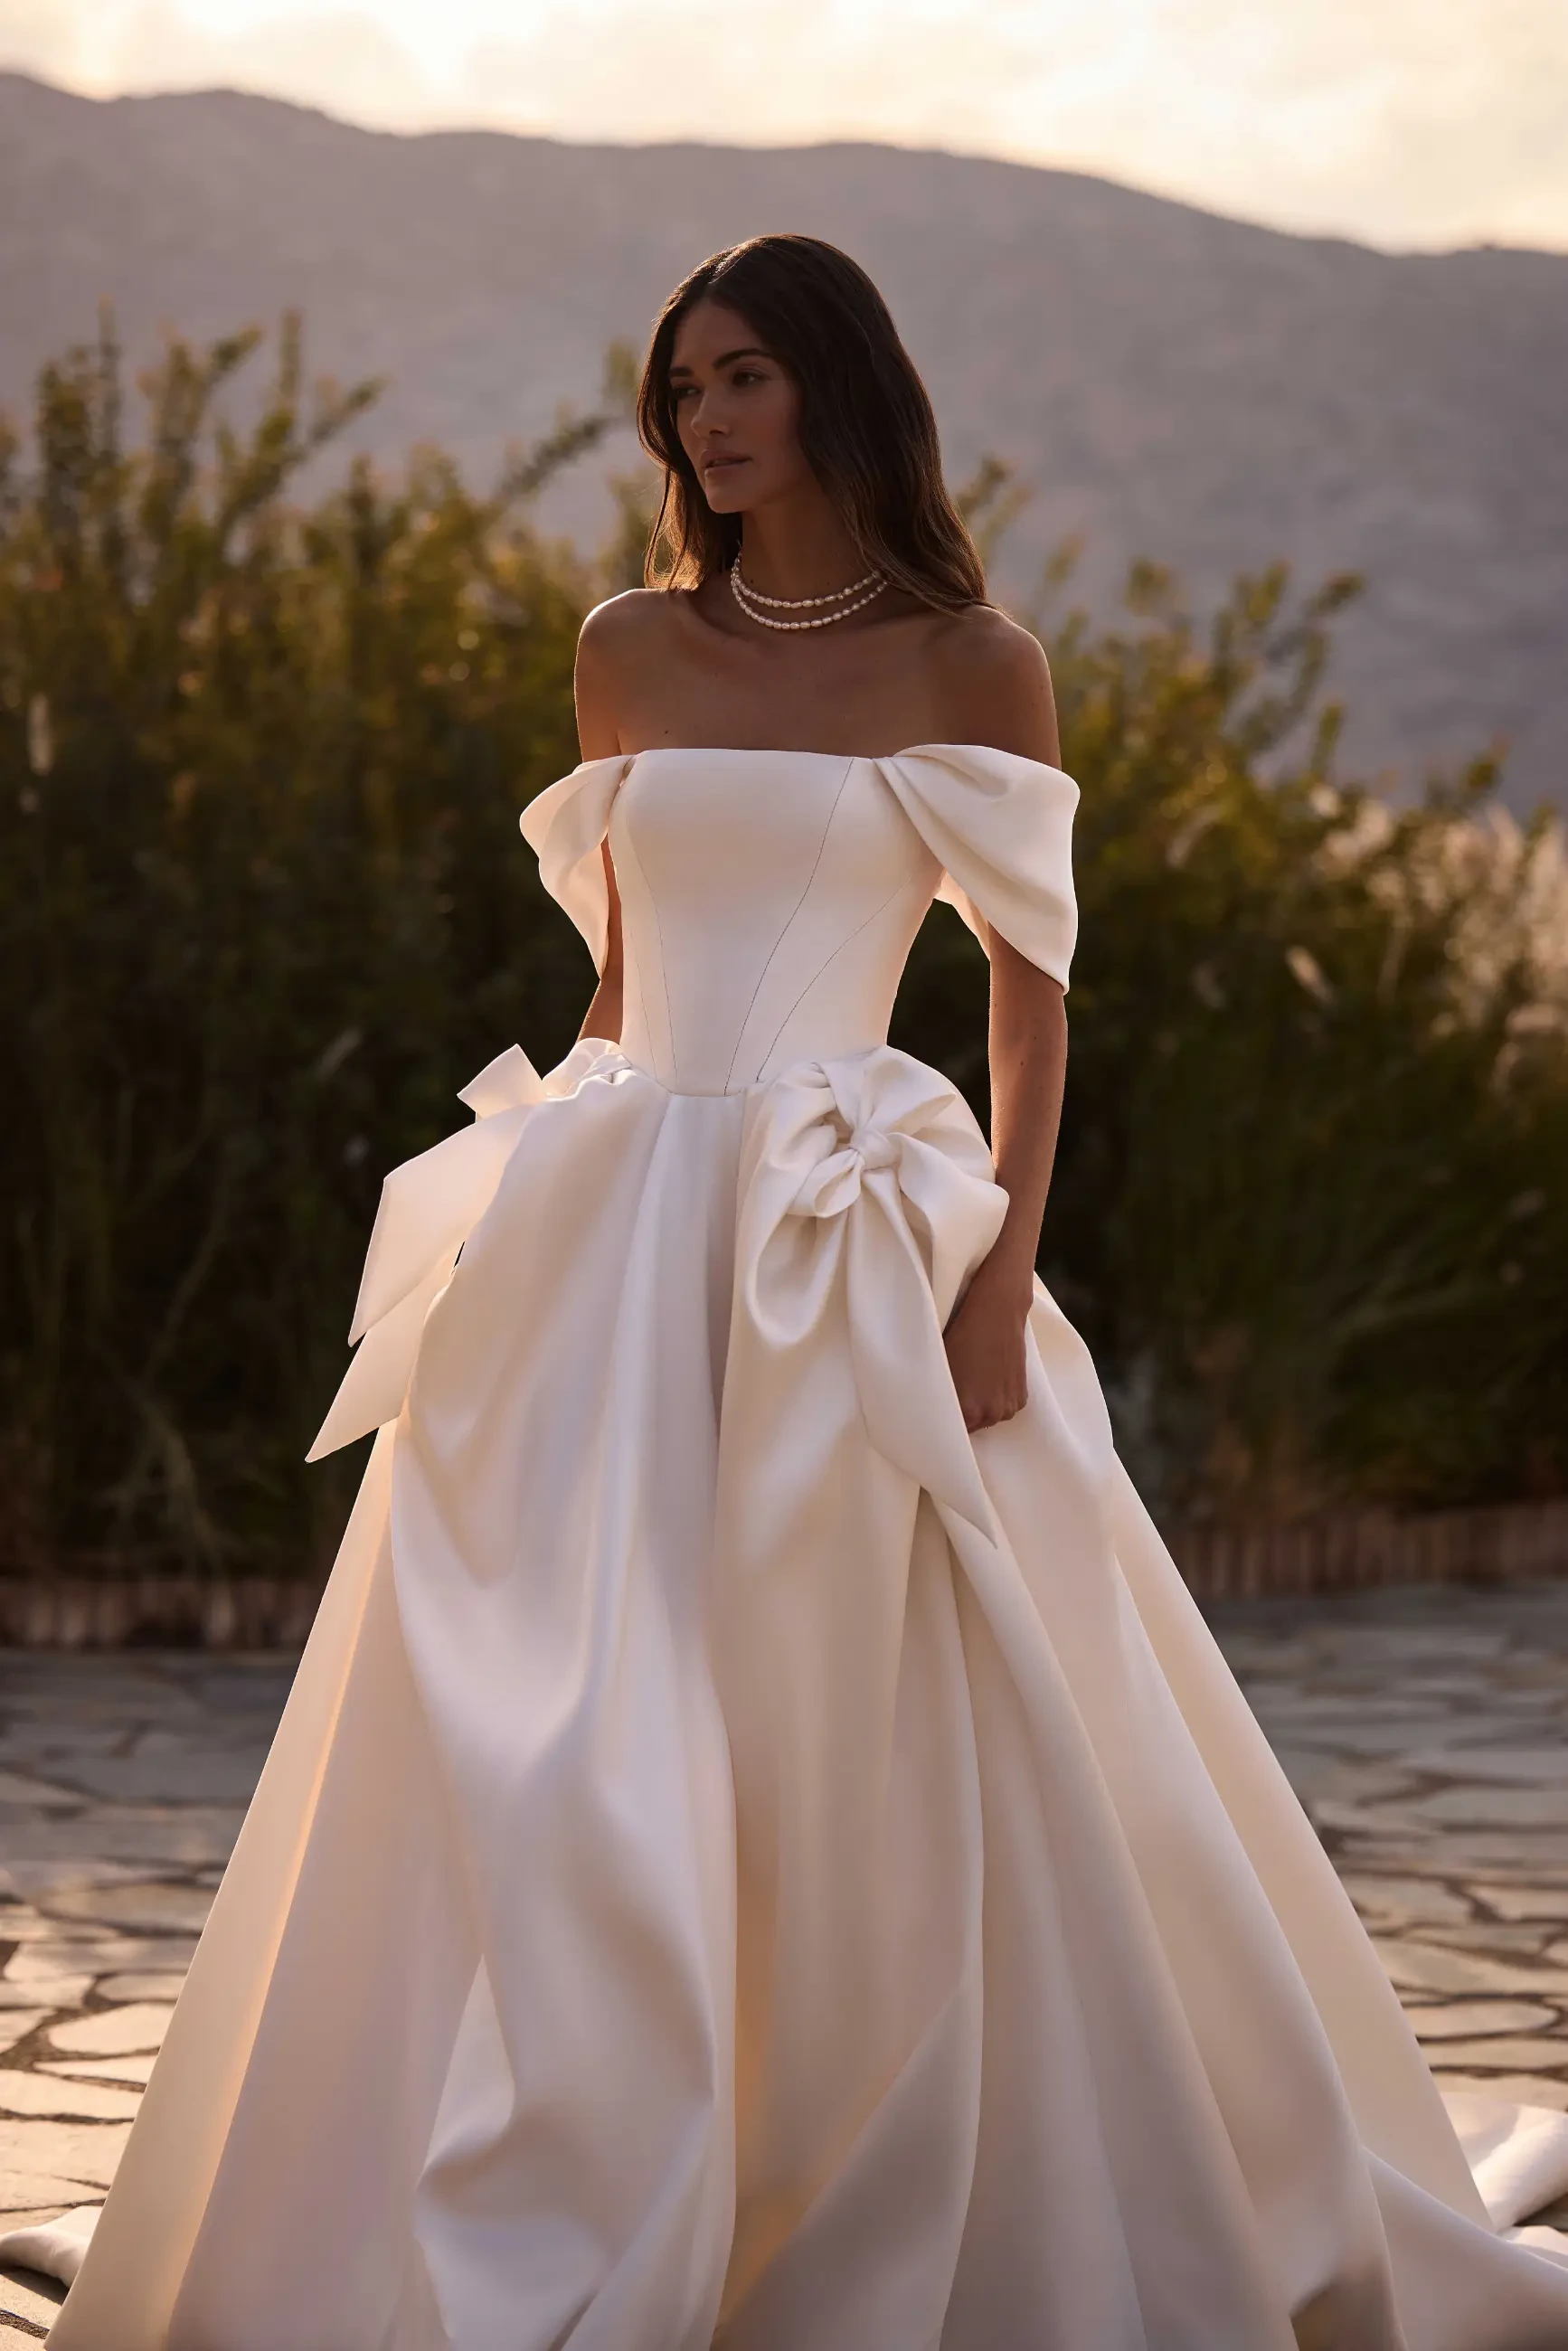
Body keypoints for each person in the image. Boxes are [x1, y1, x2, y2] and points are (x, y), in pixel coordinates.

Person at [16, 232, 1568, 2349]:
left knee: (852, 1713)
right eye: (684, 389)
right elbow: (623, 981)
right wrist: (520, 1194)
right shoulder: (625, 646)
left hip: (842, 1236)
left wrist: (1001, 1280)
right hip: (613, 1211)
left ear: (839, 388)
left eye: (744, 378)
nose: (707, 423)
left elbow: (1035, 1009)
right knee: (555, 1719)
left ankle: (878, 2167)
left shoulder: (974, 662)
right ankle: (504, 2180)